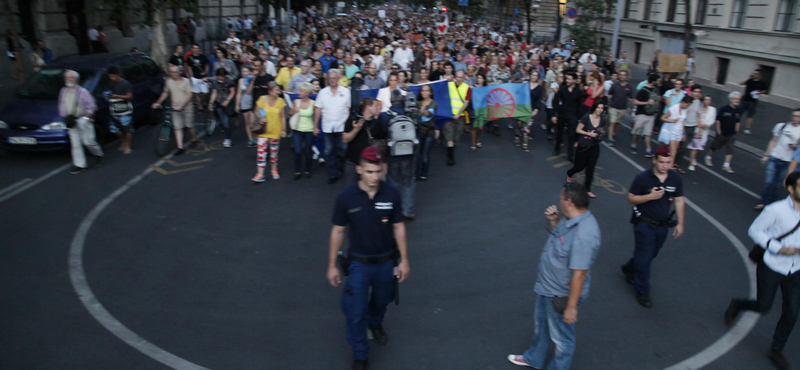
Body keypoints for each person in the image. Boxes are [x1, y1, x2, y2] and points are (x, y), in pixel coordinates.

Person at [327, 145, 410, 370]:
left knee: (382, 300)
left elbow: (398, 226)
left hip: (385, 263)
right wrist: (332, 265)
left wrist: (404, 260)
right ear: (360, 170)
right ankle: (360, 354)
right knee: (355, 311)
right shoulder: (346, 198)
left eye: (378, 171)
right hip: (359, 265)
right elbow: (338, 231)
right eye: (370, 171)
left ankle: (375, 323)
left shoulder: (391, 194)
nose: (375, 177)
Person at [507, 182, 601, 370]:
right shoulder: (570, 219)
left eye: (560, 199)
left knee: (563, 340)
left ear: (569, 202)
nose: (558, 202)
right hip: (547, 288)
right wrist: (553, 222)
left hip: (560, 295)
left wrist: (571, 308)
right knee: (541, 326)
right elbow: (562, 244)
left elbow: (579, 274)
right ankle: (534, 358)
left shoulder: (585, 234)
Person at [725, 171, 800, 370]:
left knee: (792, 312)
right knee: (764, 305)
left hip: (796, 268)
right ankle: (738, 304)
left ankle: (776, 349)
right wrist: (779, 248)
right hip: (773, 265)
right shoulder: (776, 210)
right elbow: (754, 231)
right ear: (791, 189)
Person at [621, 145, 685, 308]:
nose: (665, 166)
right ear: (654, 160)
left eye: (668, 162)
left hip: (662, 226)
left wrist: (681, 223)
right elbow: (630, 198)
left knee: (651, 254)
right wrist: (650, 197)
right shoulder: (643, 178)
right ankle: (643, 290)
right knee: (644, 259)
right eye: (662, 162)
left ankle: (629, 268)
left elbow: (679, 200)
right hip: (644, 224)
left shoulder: (675, 179)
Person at [754, 109, 800, 210]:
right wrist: (766, 155)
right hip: (775, 157)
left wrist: (795, 147)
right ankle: (763, 202)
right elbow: (773, 141)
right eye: (794, 115)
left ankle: (772, 204)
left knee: (779, 184)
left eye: (798, 116)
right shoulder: (781, 126)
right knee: (768, 181)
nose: (795, 118)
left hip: (787, 161)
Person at [60, 70, 103, 174]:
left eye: (72, 77)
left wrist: (86, 118)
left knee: (88, 142)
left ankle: (98, 154)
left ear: (76, 79)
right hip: (71, 121)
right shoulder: (63, 91)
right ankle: (80, 165)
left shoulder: (83, 91)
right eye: (67, 77)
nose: (69, 79)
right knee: (75, 144)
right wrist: (64, 117)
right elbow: (61, 105)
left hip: (83, 119)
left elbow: (92, 106)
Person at [383, 89, 416, 220]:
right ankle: (408, 210)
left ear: (390, 101)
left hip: (393, 153)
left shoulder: (385, 115)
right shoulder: (411, 114)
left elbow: (383, 134)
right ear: (402, 100)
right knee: (408, 181)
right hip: (409, 152)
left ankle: (394, 209)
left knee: (393, 181)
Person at [315, 70, 351, 184]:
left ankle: (340, 168)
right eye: (330, 78)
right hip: (327, 126)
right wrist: (315, 126)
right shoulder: (322, 92)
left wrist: (348, 126)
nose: (332, 80)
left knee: (343, 149)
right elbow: (318, 109)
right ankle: (333, 174)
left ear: (339, 78)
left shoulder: (346, 92)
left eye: (334, 78)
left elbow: (349, 109)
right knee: (329, 151)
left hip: (342, 126)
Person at [152, 65, 195, 155]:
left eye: (175, 72)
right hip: (175, 108)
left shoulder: (186, 81)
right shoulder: (169, 82)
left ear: (179, 72)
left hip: (186, 108)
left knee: (189, 125)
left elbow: (189, 95)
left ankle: (194, 138)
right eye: (171, 72)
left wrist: (181, 106)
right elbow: (165, 93)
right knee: (177, 127)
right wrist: (158, 103)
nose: (174, 74)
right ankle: (180, 147)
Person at [567, 101, 606, 199]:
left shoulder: (602, 120)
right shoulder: (586, 117)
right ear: (594, 108)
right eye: (598, 108)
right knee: (579, 167)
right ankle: (569, 174)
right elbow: (578, 130)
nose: (600, 110)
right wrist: (589, 134)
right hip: (583, 146)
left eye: (602, 108)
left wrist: (600, 133)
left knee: (590, 169)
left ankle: (587, 189)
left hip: (594, 146)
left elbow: (601, 130)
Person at [343, 97, 385, 184]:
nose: (378, 108)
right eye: (375, 105)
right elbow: (345, 139)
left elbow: (382, 142)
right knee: (351, 190)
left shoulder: (377, 123)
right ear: (368, 107)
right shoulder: (353, 120)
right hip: (353, 162)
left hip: (369, 163)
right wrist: (356, 129)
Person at [251, 84, 286, 182]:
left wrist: (284, 130)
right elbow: (256, 111)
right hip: (263, 132)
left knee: (274, 153)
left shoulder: (280, 101)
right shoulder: (262, 99)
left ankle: (274, 170)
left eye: (279, 90)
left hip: (275, 132)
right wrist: (260, 117)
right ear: (270, 91)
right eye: (276, 90)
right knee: (261, 153)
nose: (278, 92)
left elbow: (283, 116)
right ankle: (260, 174)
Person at [705, 91, 743, 174]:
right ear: (731, 99)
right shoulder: (724, 109)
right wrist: (719, 131)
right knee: (715, 146)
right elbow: (718, 120)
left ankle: (726, 165)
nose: (737, 100)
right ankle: (708, 157)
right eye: (736, 98)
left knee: (730, 149)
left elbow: (738, 121)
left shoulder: (738, 111)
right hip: (722, 133)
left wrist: (736, 131)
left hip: (732, 134)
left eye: (738, 99)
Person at [552, 72, 584, 162]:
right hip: (562, 114)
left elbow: (580, 106)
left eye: (569, 79)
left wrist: (579, 118)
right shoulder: (562, 89)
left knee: (571, 136)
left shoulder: (579, 92)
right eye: (567, 79)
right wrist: (555, 114)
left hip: (573, 116)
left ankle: (571, 155)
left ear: (574, 80)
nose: (567, 81)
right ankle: (556, 149)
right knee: (559, 133)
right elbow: (555, 101)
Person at [658, 96, 694, 172]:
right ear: (683, 102)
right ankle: (670, 169)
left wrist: (683, 133)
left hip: (679, 132)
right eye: (687, 105)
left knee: (673, 151)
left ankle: (665, 164)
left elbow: (683, 122)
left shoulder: (685, 110)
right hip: (672, 132)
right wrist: (672, 121)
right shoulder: (673, 108)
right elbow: (662, 118)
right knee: (673, 152)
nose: (688, 107)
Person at [290, 82, 316, 180]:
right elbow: (290, 113)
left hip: (309, 130)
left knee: (308, 151)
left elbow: (316, 116)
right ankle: (297, 170)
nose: (299, 92)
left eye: (301, 90)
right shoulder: (296, 102)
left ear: (307, 92)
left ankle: (307, 170)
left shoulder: (313, 103)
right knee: (297, 150)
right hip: (297, 129)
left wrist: (315, 127)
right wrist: (294, 110)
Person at [105, 66, 134, 154]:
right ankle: (123, 140)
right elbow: (110, 92)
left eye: (113, 76)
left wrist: (117, 96)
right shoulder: (111, 83)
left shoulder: (125, 84)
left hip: (125, 110)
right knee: (114, 129)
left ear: (117, 74)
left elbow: (130, 96)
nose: (112, 78)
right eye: (110, 76)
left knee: (127, 129)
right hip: (114, 110)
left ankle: (128, 146)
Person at [631, 74, 661, 157]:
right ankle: (633, 145)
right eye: (657, 80)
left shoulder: (656, 90)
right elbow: (635, 102)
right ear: (654, 81)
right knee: (636, 131)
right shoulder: (643, 90)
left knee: (648, 133)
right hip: (641, 114)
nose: (659, 82)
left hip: (651, 115)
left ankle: (648, 150)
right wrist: (647, 103)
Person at [445, 70, 471, 166]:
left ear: (464, 78)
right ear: (455, 77)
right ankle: (451, 157)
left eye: (461, 77)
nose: (459, 79)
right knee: (449, 137)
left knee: (456, 136)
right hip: (449, 116)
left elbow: (466, 103)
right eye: (457, 76)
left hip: (460, 117)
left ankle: (450, 148)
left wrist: (459, 113)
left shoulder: (467, 88)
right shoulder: (449, 85)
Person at [208, 69, 237, 148]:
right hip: (219, 103)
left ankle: (228, 139)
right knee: (221, 118)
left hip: (228, 104)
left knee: (226, 120)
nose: (221, 78)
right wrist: (211, 103)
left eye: (222, 76)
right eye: (219, 76)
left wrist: (227, 100)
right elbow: (214, 93)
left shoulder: (229, 81)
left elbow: (232, 92)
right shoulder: (215, 82)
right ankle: (224, 129)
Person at [687, 95, 716, 171]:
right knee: (694, 147)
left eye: (709, 100)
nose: (707, 101)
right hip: (697, 129)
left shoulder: (713, 109)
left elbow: (712, 119)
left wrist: (706, 125)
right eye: (706, 100)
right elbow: (695, 117)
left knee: (700, 148)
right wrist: (699, 126)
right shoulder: (699, 108)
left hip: (705, 130)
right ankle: (691, 163)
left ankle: (694, 157)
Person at [678, 86, 703, 168]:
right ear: (691, 91)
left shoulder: (699, 102)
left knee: (685, 146)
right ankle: (674, 161)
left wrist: (699, 129)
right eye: (696, 91)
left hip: (693, 126)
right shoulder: (686, 100)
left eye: (699, 92)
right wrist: (683, 131)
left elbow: (698, 116)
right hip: (684, 126)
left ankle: (675, 161)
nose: (697, 93)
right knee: (683, 146)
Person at [415, 85, 437, 181]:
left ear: (430, 92)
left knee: (425, 155)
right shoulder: (418, 102)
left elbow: (428, 114)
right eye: (422, 91)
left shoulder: (434, 104)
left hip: (429, 132)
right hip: (418, 131)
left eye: (426, 91)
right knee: (417, 154)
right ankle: (416, 173)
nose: (424, 92)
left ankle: (424, 173)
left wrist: (418, 109)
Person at [606, 70, 633, 145]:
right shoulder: (615, 85)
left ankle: (613, 133)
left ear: (626, 76)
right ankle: (610, 139)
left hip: (623, 108)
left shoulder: (629, 87)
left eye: (624, 75)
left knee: (618, 123)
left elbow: (631, 98)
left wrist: (631, 108)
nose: (622, 76)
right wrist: (609, 102)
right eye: (621, 75)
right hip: (613, 107)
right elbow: (609, 94)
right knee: (612, 122)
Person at [740, 69, 769, 135]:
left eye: (756, 74)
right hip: (744, 100)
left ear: (759, 75)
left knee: (750, 115)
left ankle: (747, 129)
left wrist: (759, 92)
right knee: (739, 113)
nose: (754, 75)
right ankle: (735, 125)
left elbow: (765, 90)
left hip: (753, 101)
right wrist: (748, 78)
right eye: (753, 73)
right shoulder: (749, 80)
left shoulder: (761, 82)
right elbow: (741, 83)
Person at [235, 65, 257, 147]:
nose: (244, 73)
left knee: (253, 121)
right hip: (244, 103)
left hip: (251, 102)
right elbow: (238, 93)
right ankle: (250, 139)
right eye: (243, 71)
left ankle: (255, 138)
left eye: (246, 71)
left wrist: (252, 81)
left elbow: (250, 91)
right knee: (247, 122)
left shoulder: (252, 79)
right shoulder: (240, 81)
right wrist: (237, 104)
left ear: (250, 72)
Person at [186, 44, 210, 112]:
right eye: (194, 48)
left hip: (203, 77)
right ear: (192, 49)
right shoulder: (190, 57)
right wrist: (191, 75)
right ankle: (200, 106)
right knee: (197, 93)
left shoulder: (203, 56)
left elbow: (207, 64)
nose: (196, 49)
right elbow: (189, 66)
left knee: (205, 93)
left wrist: (205, 71)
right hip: (195, 77)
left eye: (197, 48)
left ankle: (203, 102)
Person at [470, 74, 488, 149]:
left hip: (482, 110)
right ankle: (473, 143)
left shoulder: (486, 89)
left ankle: (477, 139)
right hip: (474, 109)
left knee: (480, 127)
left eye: (480, 78)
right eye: (478, 78)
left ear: (484, 80)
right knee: (474, 127)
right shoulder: (473, 87)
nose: (478, 79)